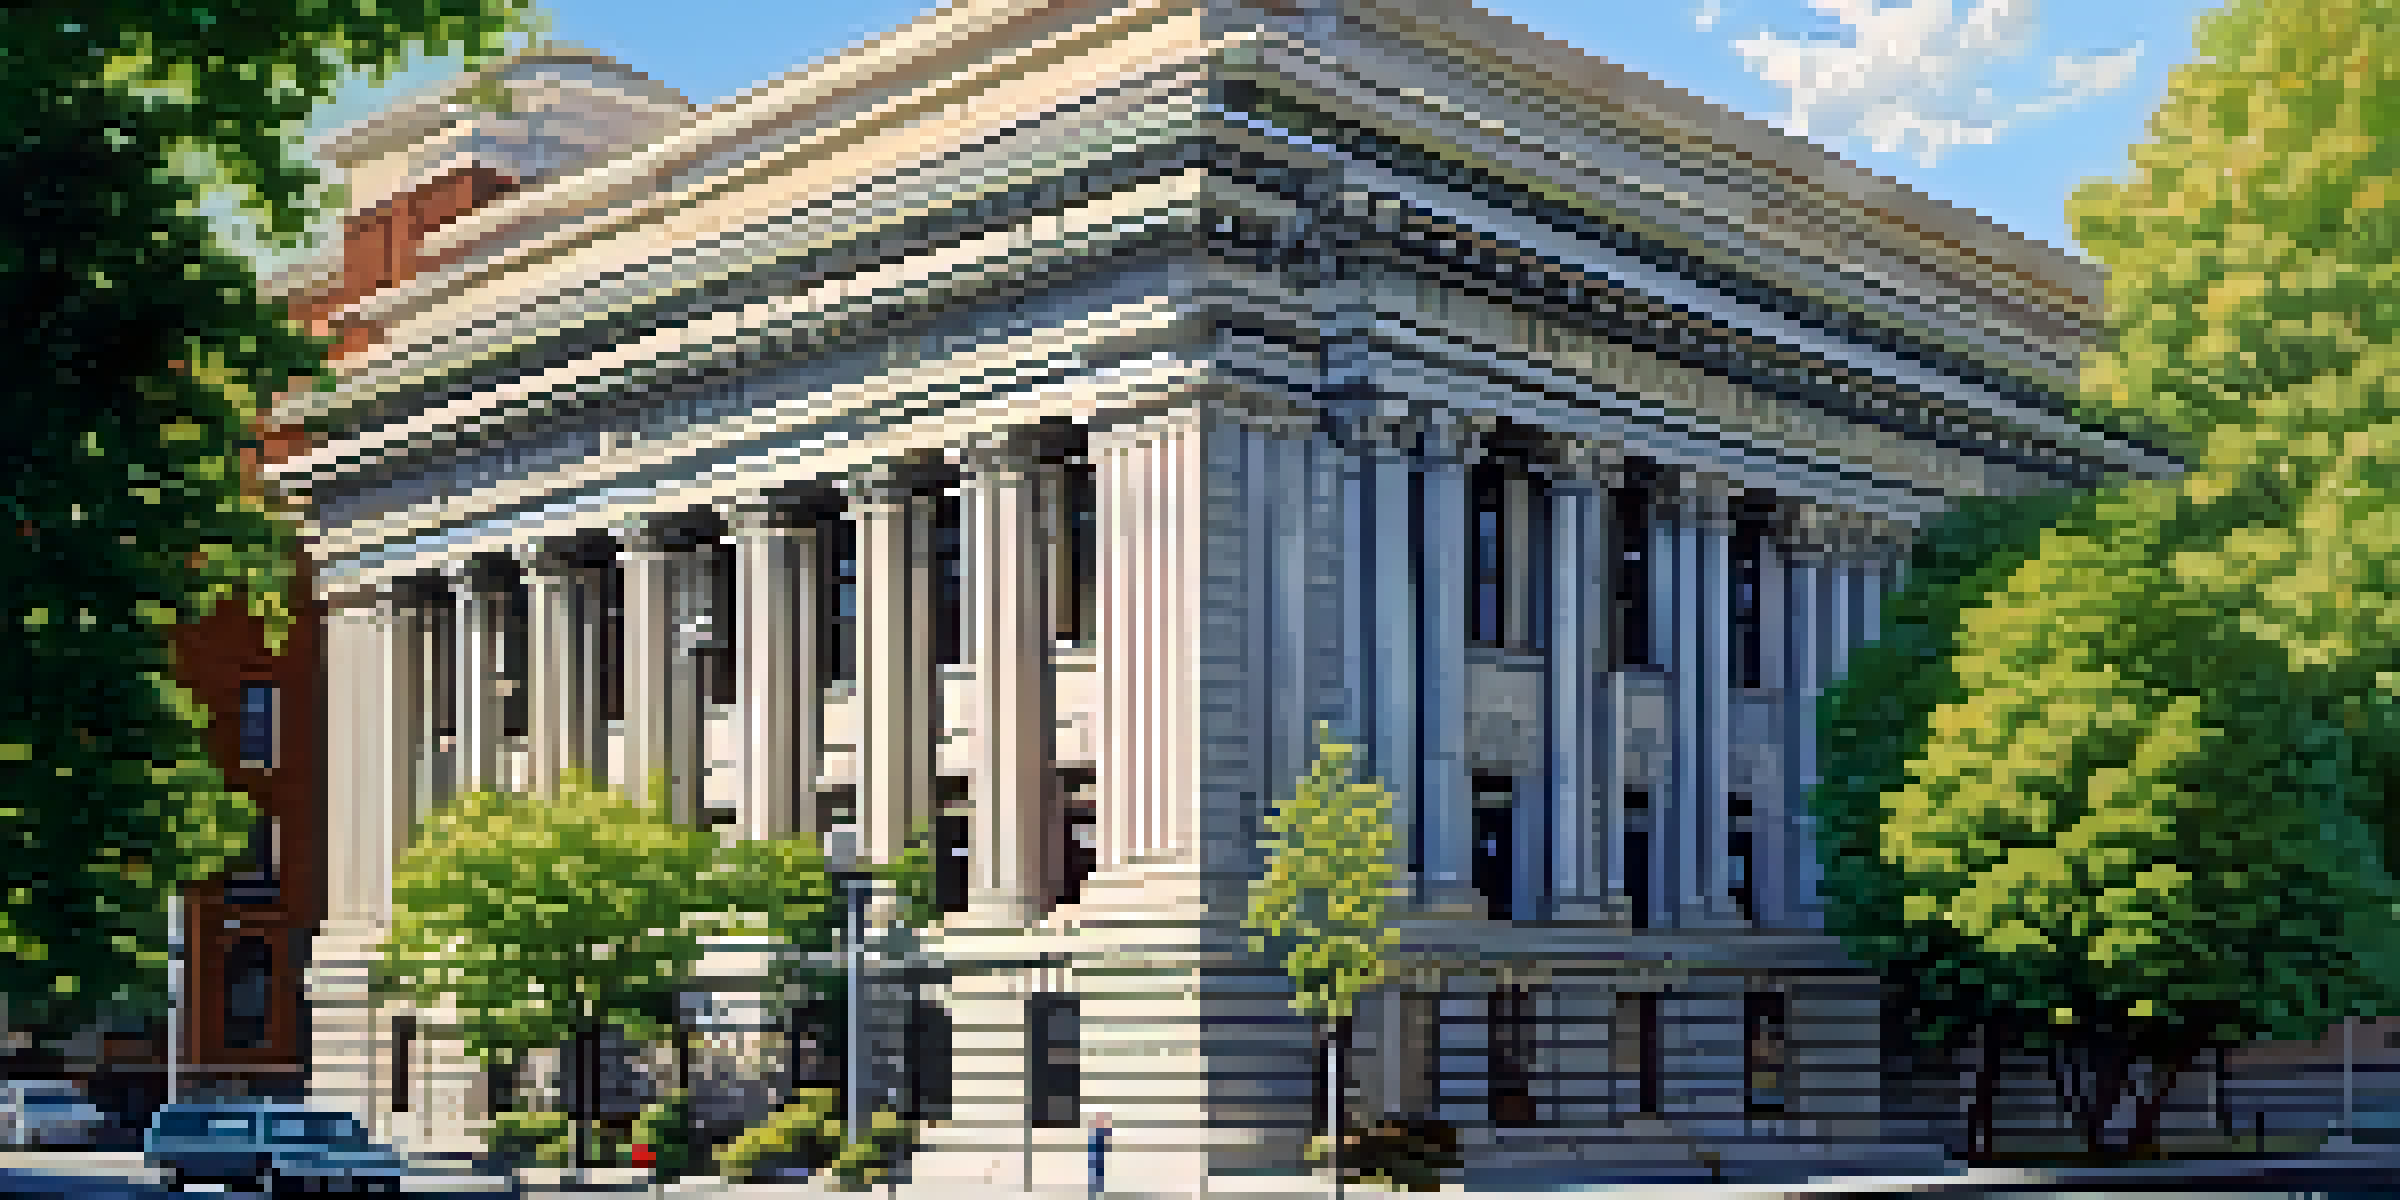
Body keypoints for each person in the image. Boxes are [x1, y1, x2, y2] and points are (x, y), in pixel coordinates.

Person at [1087, 1110, 1112, 1198]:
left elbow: (1108, 1143)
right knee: (1094, 1174)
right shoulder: (1092, 1131)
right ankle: (1095, 1193)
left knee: (1099, 1174)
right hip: (1094, 1155)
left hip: (1100, 1155)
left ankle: (1097, 1193)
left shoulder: (1104, 1130)